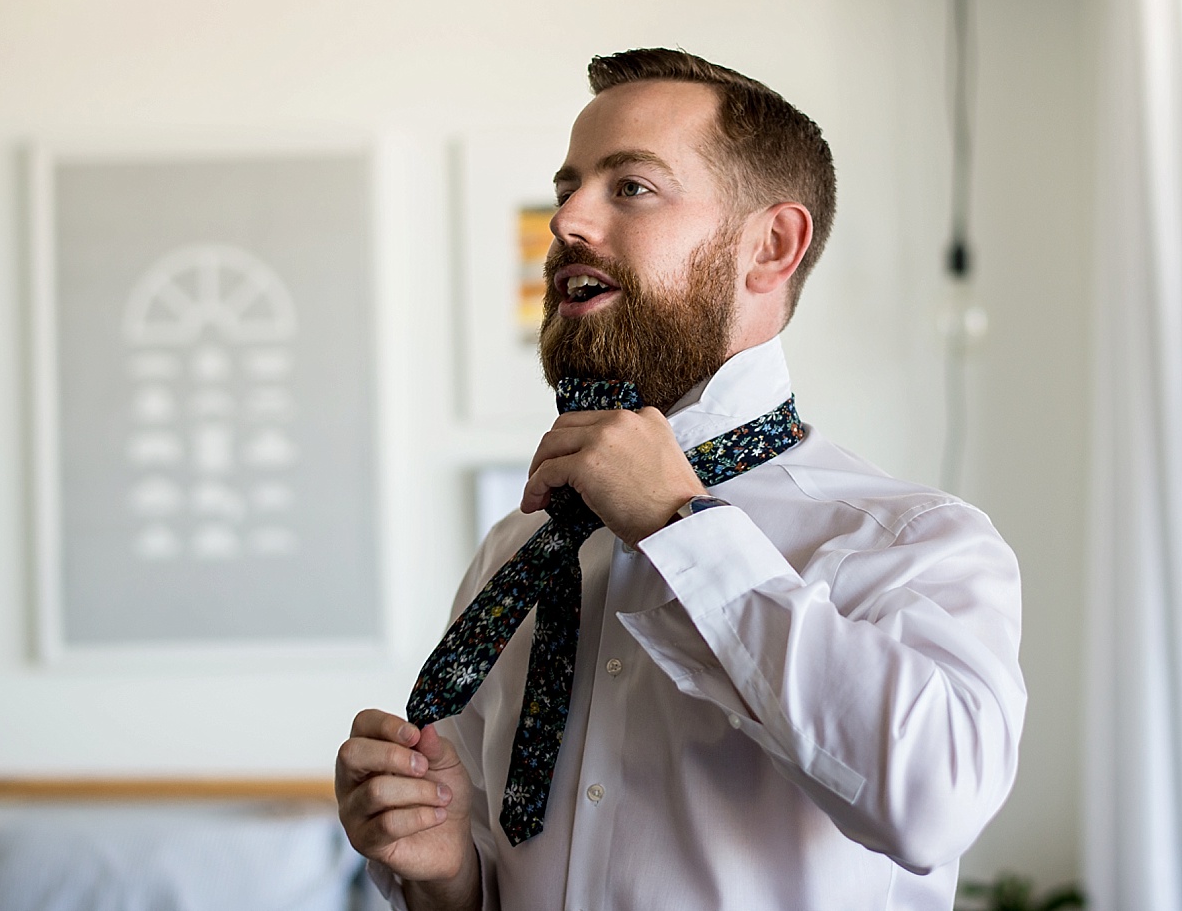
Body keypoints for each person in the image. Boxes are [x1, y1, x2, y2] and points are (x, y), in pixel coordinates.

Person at [335, 49, 1026, 911]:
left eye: (630, 187)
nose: (567, 220)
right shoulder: (520, 551)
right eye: (567, 189)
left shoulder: (908, 540)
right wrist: (446, 876)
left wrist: (676, 523)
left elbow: (934, 803)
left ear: (770, 246)